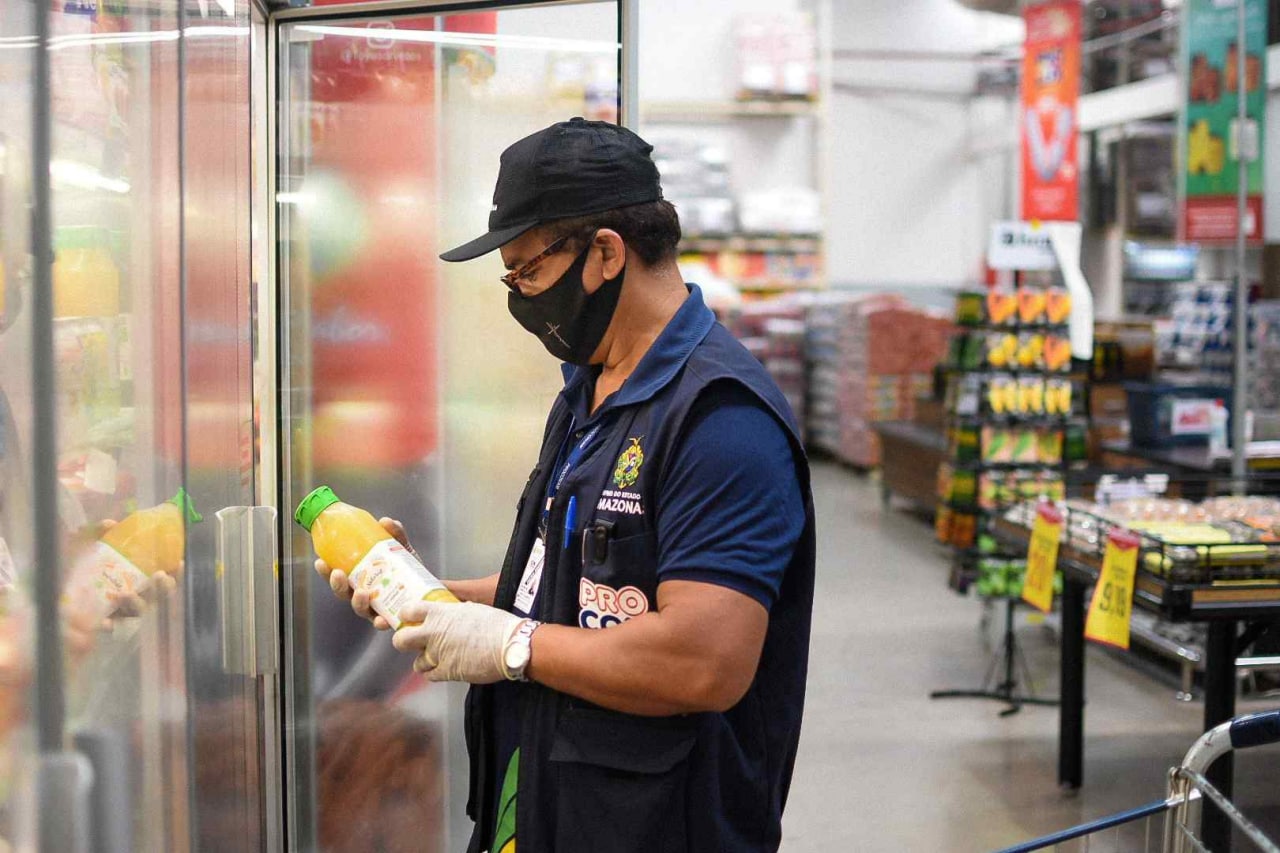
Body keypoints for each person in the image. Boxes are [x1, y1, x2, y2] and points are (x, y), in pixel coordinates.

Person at [315, 117, 815, 853]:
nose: (518, 296)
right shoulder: (591, 391)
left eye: (527, 272)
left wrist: (512, 644)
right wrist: (437, 598)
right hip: (550, 803)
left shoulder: (721, 422)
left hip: (656, 825)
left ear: (606, 252)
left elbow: (702, 661)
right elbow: (569, 587)